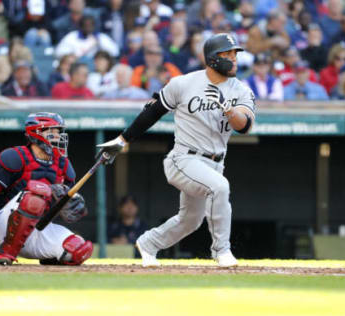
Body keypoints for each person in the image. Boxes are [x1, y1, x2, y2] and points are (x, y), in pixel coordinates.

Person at [97, 33, 256, 268]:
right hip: (183, 158)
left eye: (235, 54)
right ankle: (221, 250)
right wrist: (122, 140)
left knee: (190, 221)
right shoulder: (184, 83)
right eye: (228, 54)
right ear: (213, 59)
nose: (234, 59)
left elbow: (245, 126)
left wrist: (230, 111)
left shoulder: (241, 90)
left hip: (215, 163)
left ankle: (148, 243)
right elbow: (152, 112)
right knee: (220, 188)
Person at [0, 112, 93, 265]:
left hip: (36, 229)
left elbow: (63, 204)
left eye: (58, 132)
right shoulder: (15, 156)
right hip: (4, 226)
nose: (57, 136)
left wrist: (70, 203)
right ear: (35, 133)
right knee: (37, 194)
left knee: (77, 251)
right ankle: (6, 252)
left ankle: (49, 257)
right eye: (51, 132)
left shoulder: (63, 164)